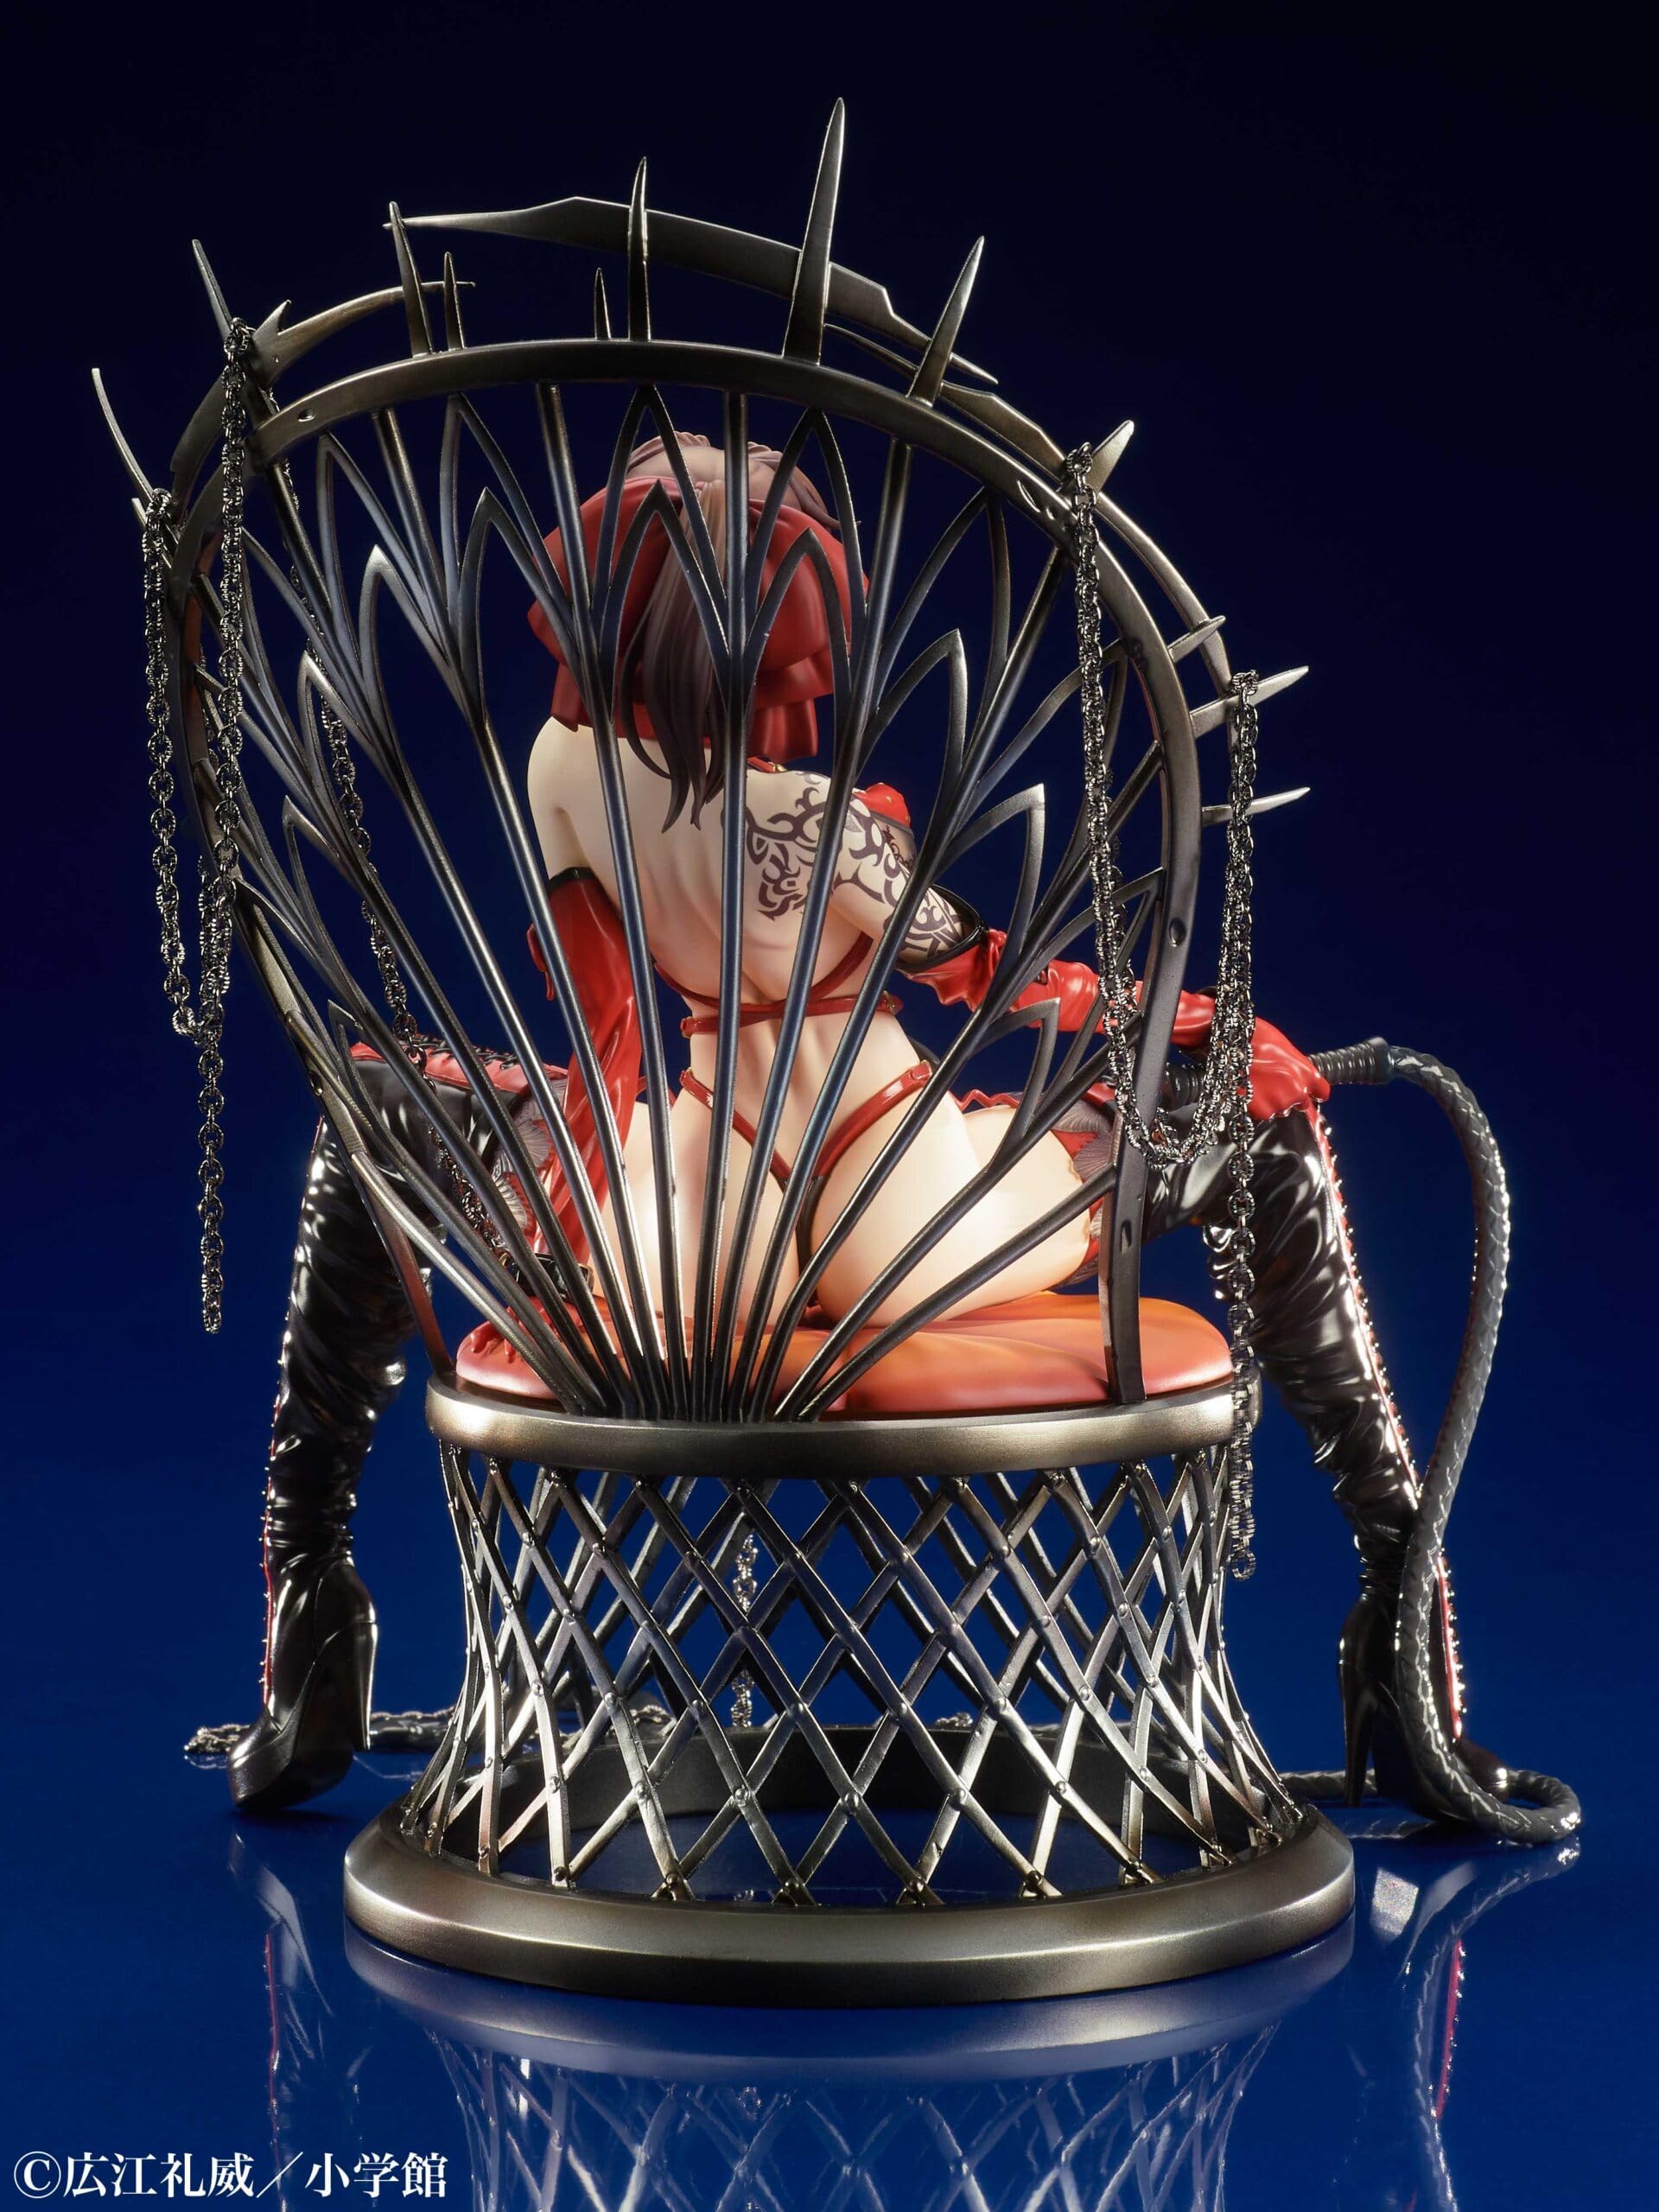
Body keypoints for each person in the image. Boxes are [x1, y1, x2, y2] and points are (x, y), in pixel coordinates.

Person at [228, 437, 1510, 1821]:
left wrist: (590, 1148)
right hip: (888, 1199)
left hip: (691, 1211)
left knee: (377, 1110)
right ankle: (1401, 1631)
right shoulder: (826, 825)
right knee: (1257, 1119)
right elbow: (999, 980)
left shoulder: (560, 767)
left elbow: (601, 993)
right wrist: (1185, 1019)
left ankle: (311, 1606)